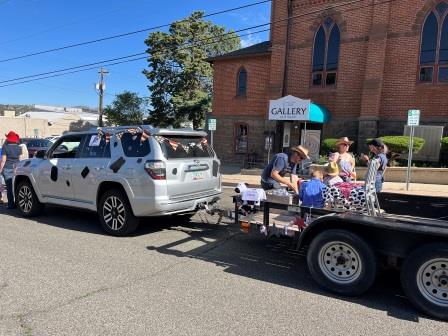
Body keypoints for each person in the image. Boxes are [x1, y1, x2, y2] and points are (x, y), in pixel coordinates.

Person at [0, 131, 22, 209]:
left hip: (7, 168)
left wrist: (0, 169)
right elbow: (19, 159)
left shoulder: (5, 147)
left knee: (9, 188)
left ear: (8, 139)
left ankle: (11, 204)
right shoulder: (19, 147)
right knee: (16, 187)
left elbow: (3, 160)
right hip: (16, 168)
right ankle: (18, 204)